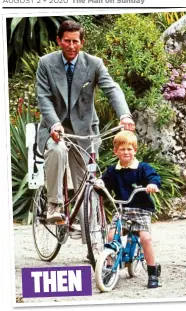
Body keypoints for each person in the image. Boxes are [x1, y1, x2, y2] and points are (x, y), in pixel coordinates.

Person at [36, 20, 135, 223]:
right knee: (57, 150)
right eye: (67, 41)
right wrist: (54, 123)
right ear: (58, 41)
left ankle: (90, 238)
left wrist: (124, 115)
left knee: (85, 181)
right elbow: (43, 98)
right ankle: (54, 204)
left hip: (84, 131)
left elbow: (112, 89)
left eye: (75, 41)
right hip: (55, 126)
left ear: (82, 42)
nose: (71, 46)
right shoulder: (46, 63)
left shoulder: (94, 63)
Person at [98, 131, 162, 288]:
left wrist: (152, 185)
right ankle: (108, 268)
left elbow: (154, 177)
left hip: (141, 209)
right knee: (112, 236)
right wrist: (99, 184)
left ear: (135, 150)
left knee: (145, 238)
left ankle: (152, 272)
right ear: (116, 151)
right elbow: (104, 184)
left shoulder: (142, 168)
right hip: (122, 208)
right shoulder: (113, 170)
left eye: (129, 149)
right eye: (122, 149)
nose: (126, 152)